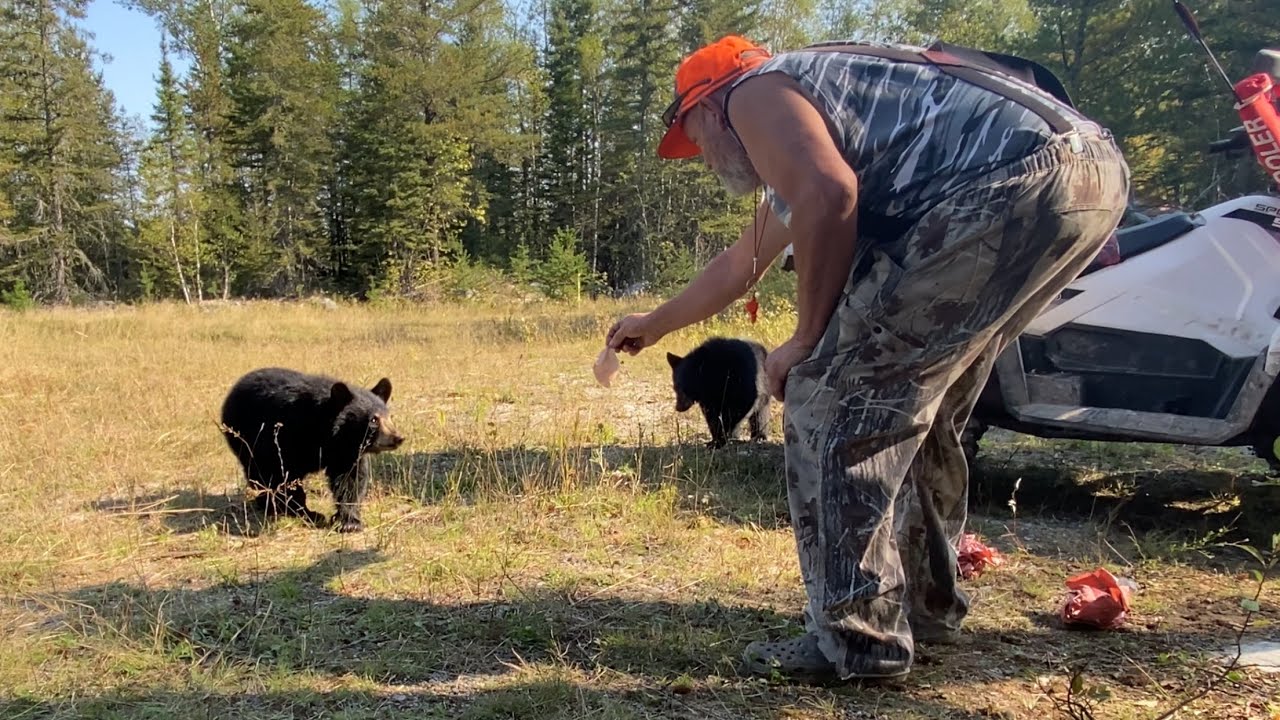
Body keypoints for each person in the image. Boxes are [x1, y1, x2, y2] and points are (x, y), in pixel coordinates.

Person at [605, 34, 1130, 682]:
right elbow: (741, 264)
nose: (706, 161)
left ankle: (858, 642)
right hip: (1084, 179)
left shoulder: (756, 91)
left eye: (695, 140)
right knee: (917, 406)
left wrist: (803, 339)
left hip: (1007, 184)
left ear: (706, 108)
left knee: (829, 396)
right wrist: (653, 326)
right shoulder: (834, 108)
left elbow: (830, 196)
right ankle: (924, 608)